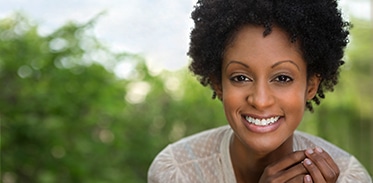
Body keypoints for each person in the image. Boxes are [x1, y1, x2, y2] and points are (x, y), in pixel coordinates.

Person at [148, 0, 372, 182]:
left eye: (283, 78)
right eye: (241, 77)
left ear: (311, 86)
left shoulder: (348, 177)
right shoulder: (177, 171)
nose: (261, 101)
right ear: (218, 84)